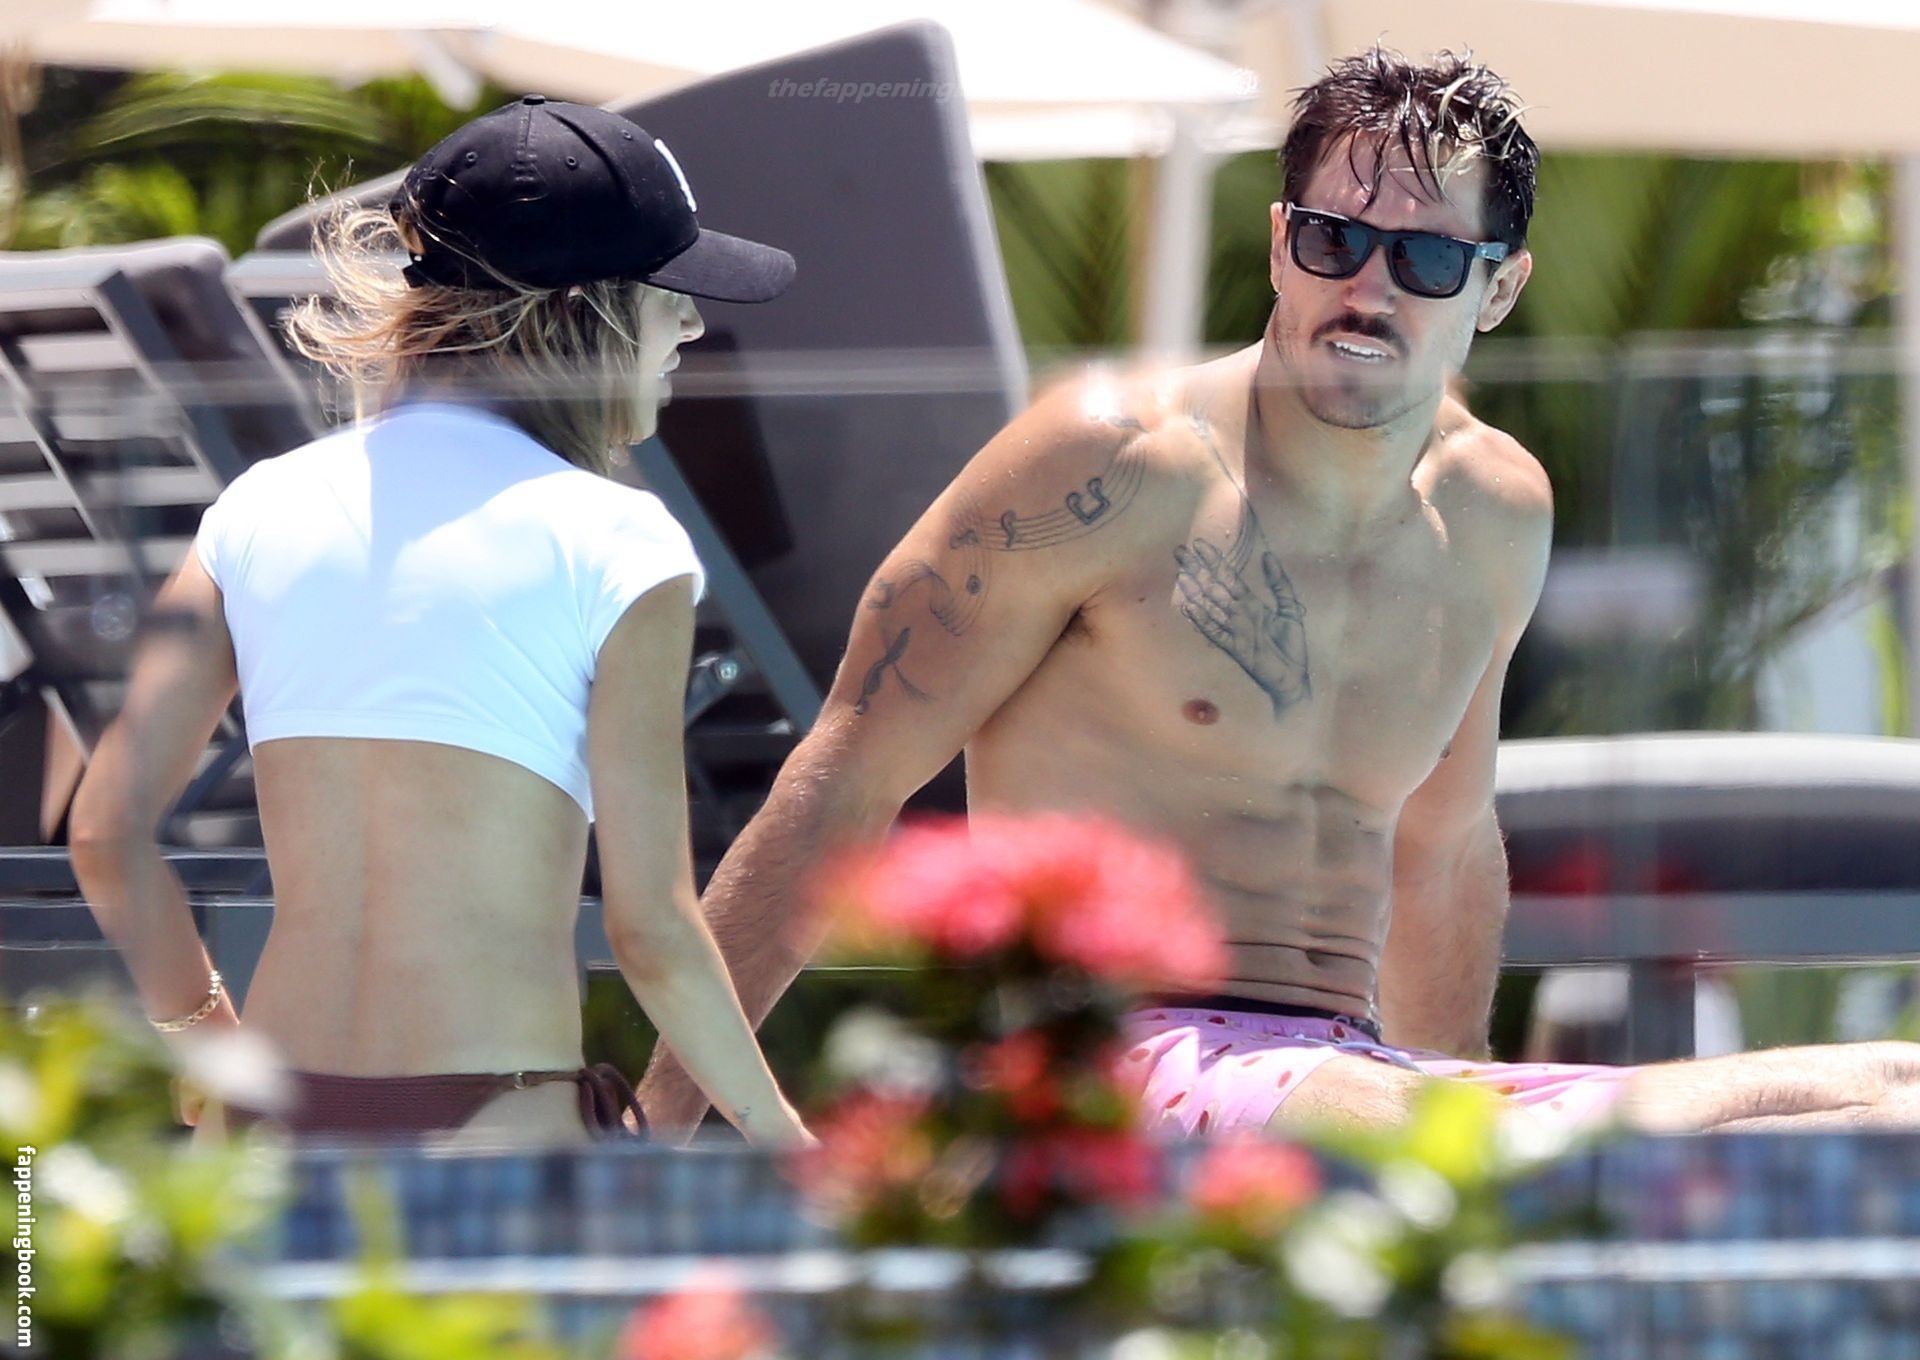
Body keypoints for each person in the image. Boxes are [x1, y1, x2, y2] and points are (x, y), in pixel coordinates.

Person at [638, 49, 1920, 1140]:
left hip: (1345, 1071)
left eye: (1425, 259)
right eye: (1332, 238)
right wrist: (657, 1129)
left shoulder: (1493, 512)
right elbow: (843, 780)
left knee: (1891, 1093)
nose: (1367, 287)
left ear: (1501, 289)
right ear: (1277, 243)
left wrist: (1456, 1167)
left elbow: (1443, 849)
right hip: (1098, 1063)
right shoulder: (1109, 464)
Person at [70, 96, 809, 1148]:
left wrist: (203, 1044)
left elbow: (105, 834)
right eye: (668, 296)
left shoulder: (254, 508)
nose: (691, 326)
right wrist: (788, 1144)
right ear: (582, 313)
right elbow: (650, 931)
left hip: (267, 1122)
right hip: (491, 1127)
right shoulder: (620, 541)